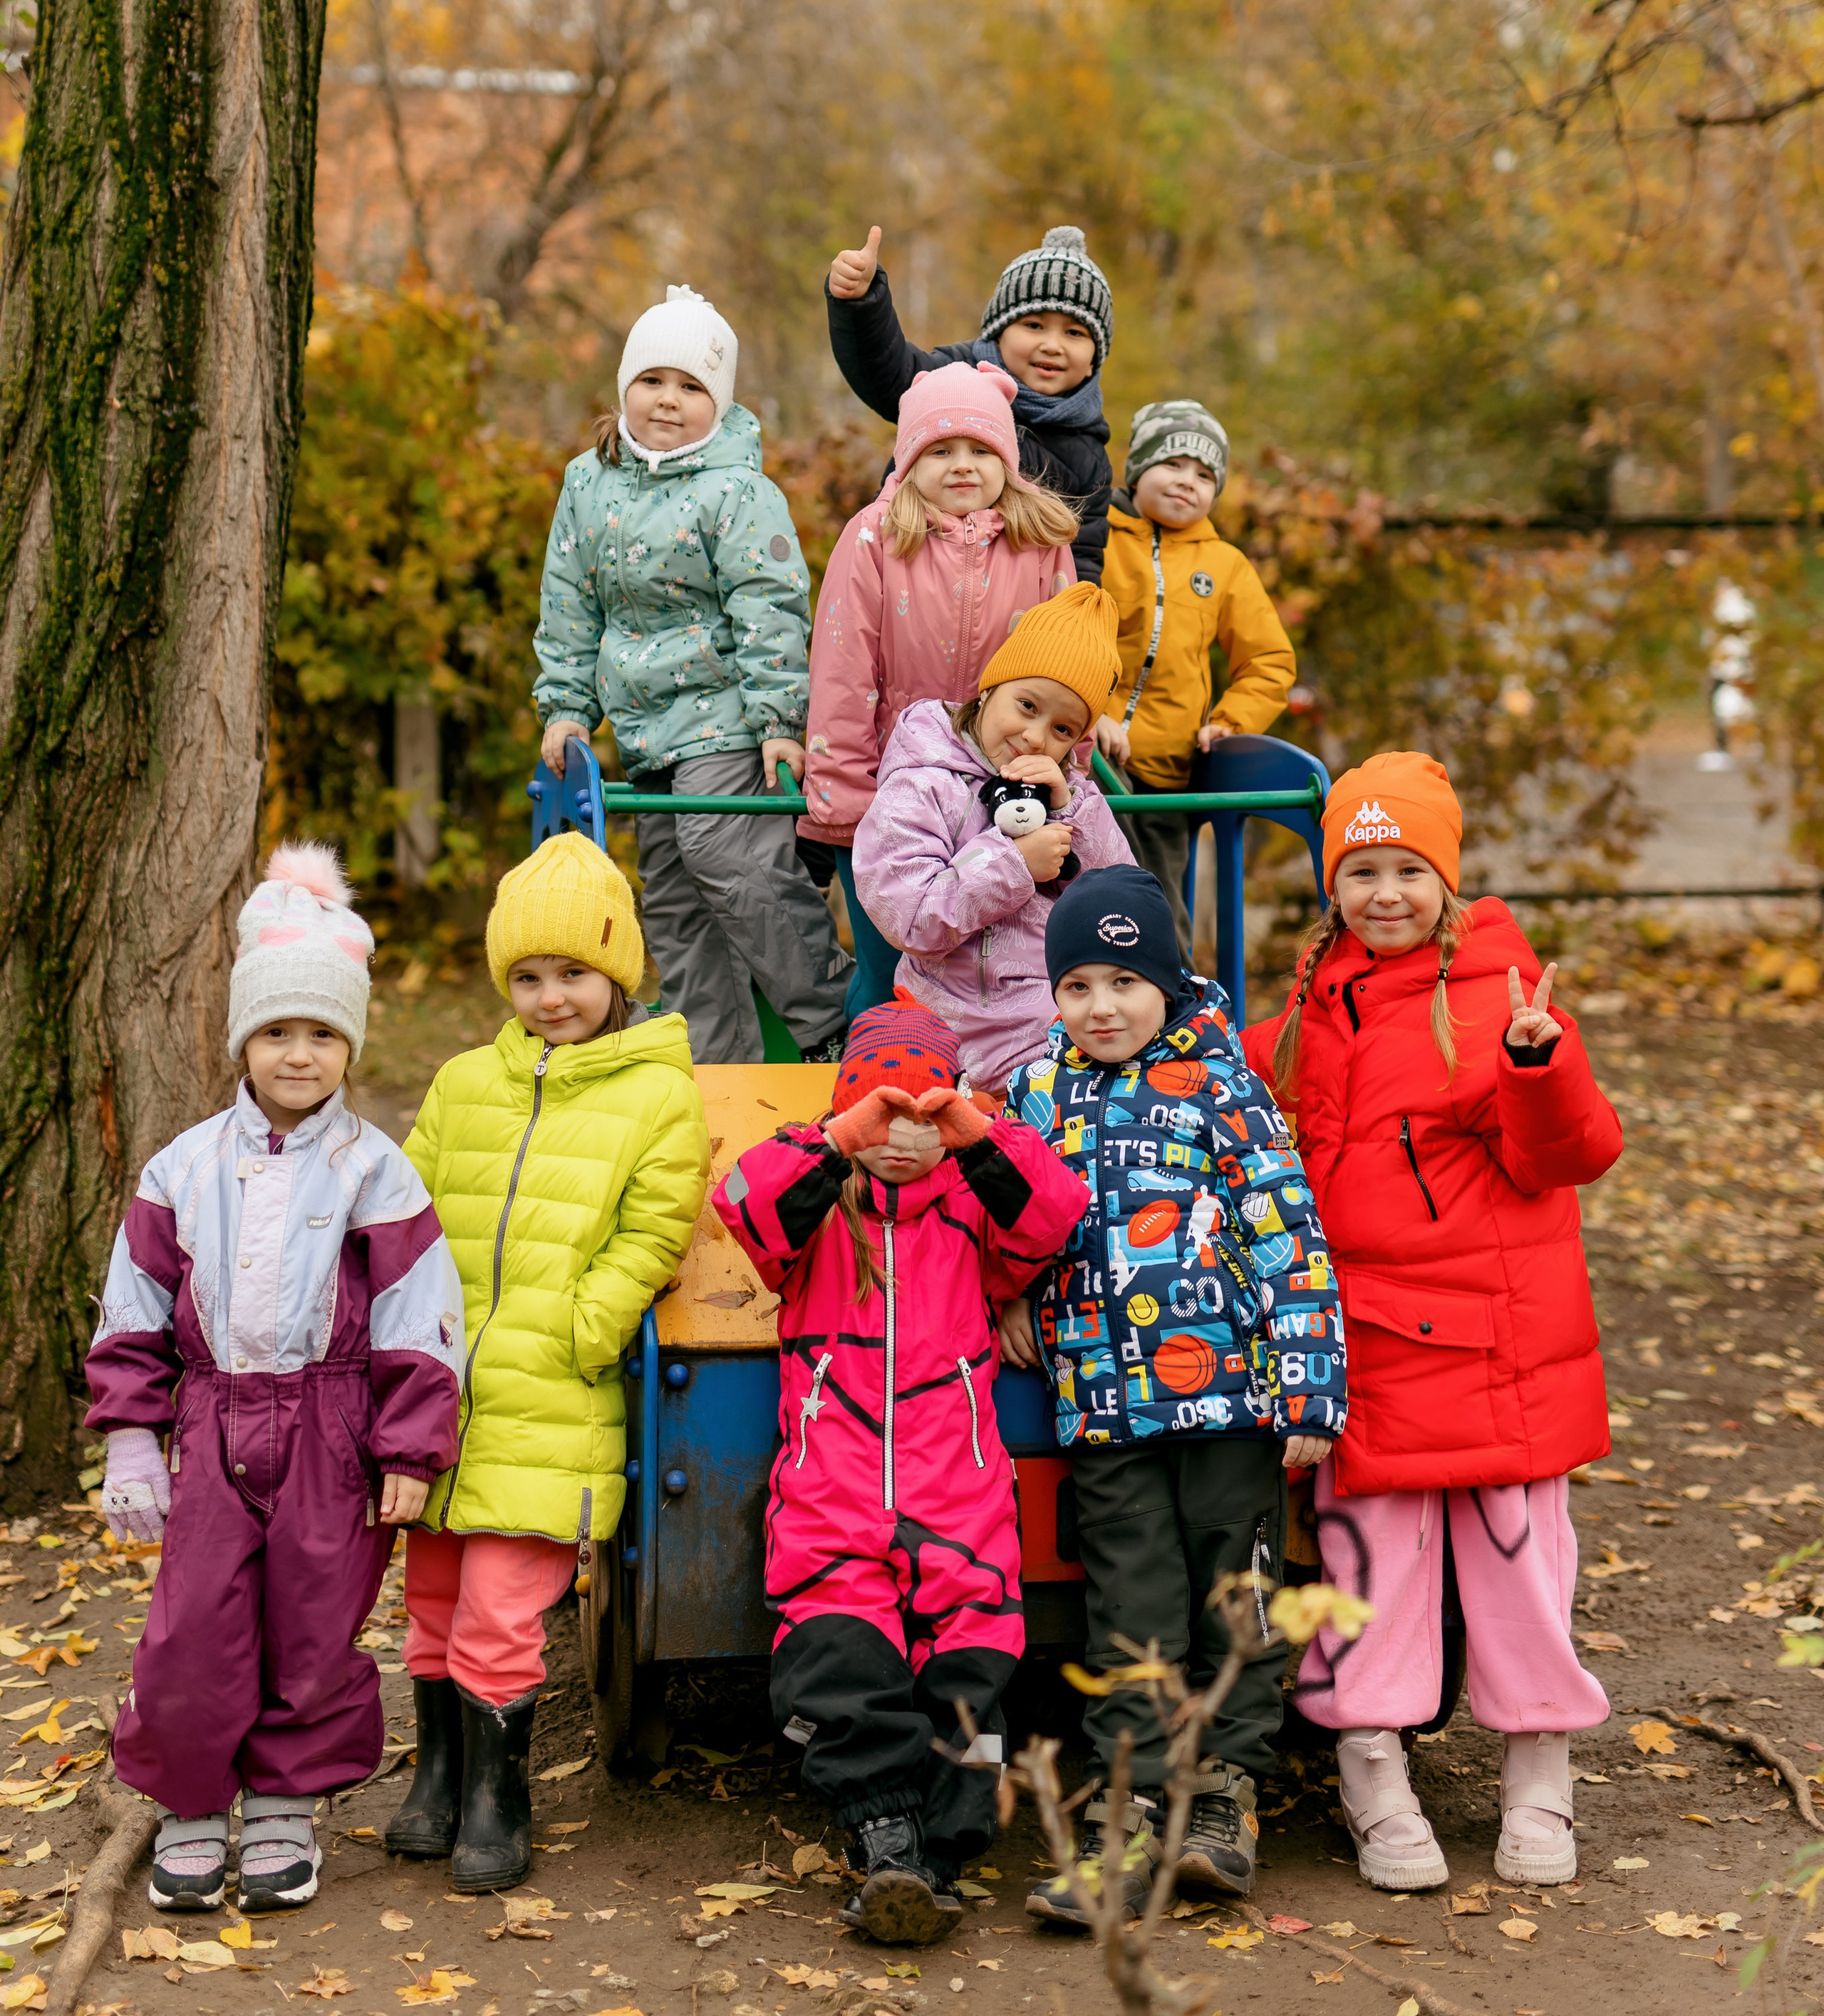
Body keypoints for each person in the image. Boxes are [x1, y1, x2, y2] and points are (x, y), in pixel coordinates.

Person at [1241, 752, 1622, 1891]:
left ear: (1446, 880)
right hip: (1367, 1349)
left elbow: (1573, 1154)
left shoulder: (1506, 1001)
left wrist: (1536, 1067)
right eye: (1361, 872)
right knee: (1373, 1576)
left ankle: (1540, 1782)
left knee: (1518, 1571)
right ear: (1334, 888)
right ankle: (1372, 1776)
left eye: (1408, 868)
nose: (1386, 893)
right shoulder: (1304, 1015)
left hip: (1501, 1344)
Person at [86, 845, 464, 1917]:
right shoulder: (183, 1166)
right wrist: (130, 1439)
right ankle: (194, 1805)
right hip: (211, 1420)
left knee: (314, 1621)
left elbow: (422, 1318)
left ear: (349, 1043)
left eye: (323, 1034)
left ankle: (286, 1809)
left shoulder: (376, 1170)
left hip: (332, 1427)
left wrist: (406, 1447)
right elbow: (135, 1305)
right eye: (278, 1032)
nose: (299, 1055)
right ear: (244, 1039)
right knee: (192, 1625)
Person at [1000, 866, 1345, 1926]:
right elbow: (999, 1208)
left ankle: (1223, 1797)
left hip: (1230, 1403)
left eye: (1124, 983)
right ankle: (1135, 1807)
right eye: (1078, 986)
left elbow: (1288, 1237)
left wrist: (1307, 1385)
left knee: (1230, 1599)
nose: (1101, 1008)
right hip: (1104, 1405)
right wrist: (1002, 1287)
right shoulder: (1034, 1091)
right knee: (1128, 1610)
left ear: (1168, 981)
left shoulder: (1226, 1088)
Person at [712, 1002, 1088, 1945]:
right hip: (832, 1497)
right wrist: (841, 1138)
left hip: (954, 1497)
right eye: (885, 1120)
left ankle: (942, 1852)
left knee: (975, 1670)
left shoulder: (970, 1213)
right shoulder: (814, 1220)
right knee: (841, 1666)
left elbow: (1056, 1214)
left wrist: (975, 1129)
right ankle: (887, 1840)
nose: (903, 1141)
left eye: (924, 1122)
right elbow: (744, 1200)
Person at [389, 832, 710, 1890]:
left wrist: (585, 1325)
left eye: (574, 972)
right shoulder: (463, 1083)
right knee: (432, 1593)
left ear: (619, 973)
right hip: (443, 1396)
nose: (550, 996)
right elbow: (407, 1214)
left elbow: (655, 1231)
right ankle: (439, 1773)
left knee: (499, 1605)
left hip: (551, 1391)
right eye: (528, 976)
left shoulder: (656, 1092)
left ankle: (499, 1792)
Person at [534, 283, 851, 1066]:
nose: (668, 401)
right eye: (652, 381)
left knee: (731, 862)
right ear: (624, 388)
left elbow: (769, 607)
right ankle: (716, 1072)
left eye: (691, 387)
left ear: (720, 402)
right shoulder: (588, 482)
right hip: (646, 733)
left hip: (724, 718)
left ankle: (833, 1023)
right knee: (675, 905)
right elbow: (569, 599)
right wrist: (567, 707)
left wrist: (780, 724)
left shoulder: (737, 490)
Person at [802, 362, 1078, 1017]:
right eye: (941, 449)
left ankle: (988, 1099)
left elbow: (1071, 671)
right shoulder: (875, 537)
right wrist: (845, 796)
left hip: (1006, 786)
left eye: (982, 449)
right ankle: (869, 1088)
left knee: (994, 964)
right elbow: (842, 673)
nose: (963, 465)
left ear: (1007, 460)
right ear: (908, 460)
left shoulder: (1039, 545)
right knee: (891, 964)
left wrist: (1066, 774)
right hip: (892, 796)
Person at [851, 581, 1132, 1098]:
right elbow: (907, 915)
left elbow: (1123, 904)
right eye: (1027, 705)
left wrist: (1073, 810)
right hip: (937, 1020)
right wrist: (1013, 862)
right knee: (889, 1085)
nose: (1036, 737)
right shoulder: (923, 780)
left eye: (1064, 729)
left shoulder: (1071, 796)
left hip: (1044, 1022)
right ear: (987, 690)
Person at [1094, 399, 1297, 952]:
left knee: (1153, 903)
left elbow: (1269, 661)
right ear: (1136, 469)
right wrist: (1094, 712)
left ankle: (1181, 1015)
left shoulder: (1224, 563)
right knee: (1088, 896)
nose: (1187, 482)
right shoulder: (1097, 538)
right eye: (1172, 464)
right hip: (1087, 758)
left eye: (1205, 475)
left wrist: (1231, 721)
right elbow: (1063, 632)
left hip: (1163, 775)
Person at [824, 222, 1115, 583]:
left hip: (1012, 619)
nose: (1053, 345)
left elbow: (1082, 556)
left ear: (1095, 357)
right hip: (912, 587)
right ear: (999, 330)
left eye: (1074, 332)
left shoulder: (1089, 455)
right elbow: (887, 371)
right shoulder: (956, 377)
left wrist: (1073, 625)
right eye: (1035, 325)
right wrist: (862, 304)